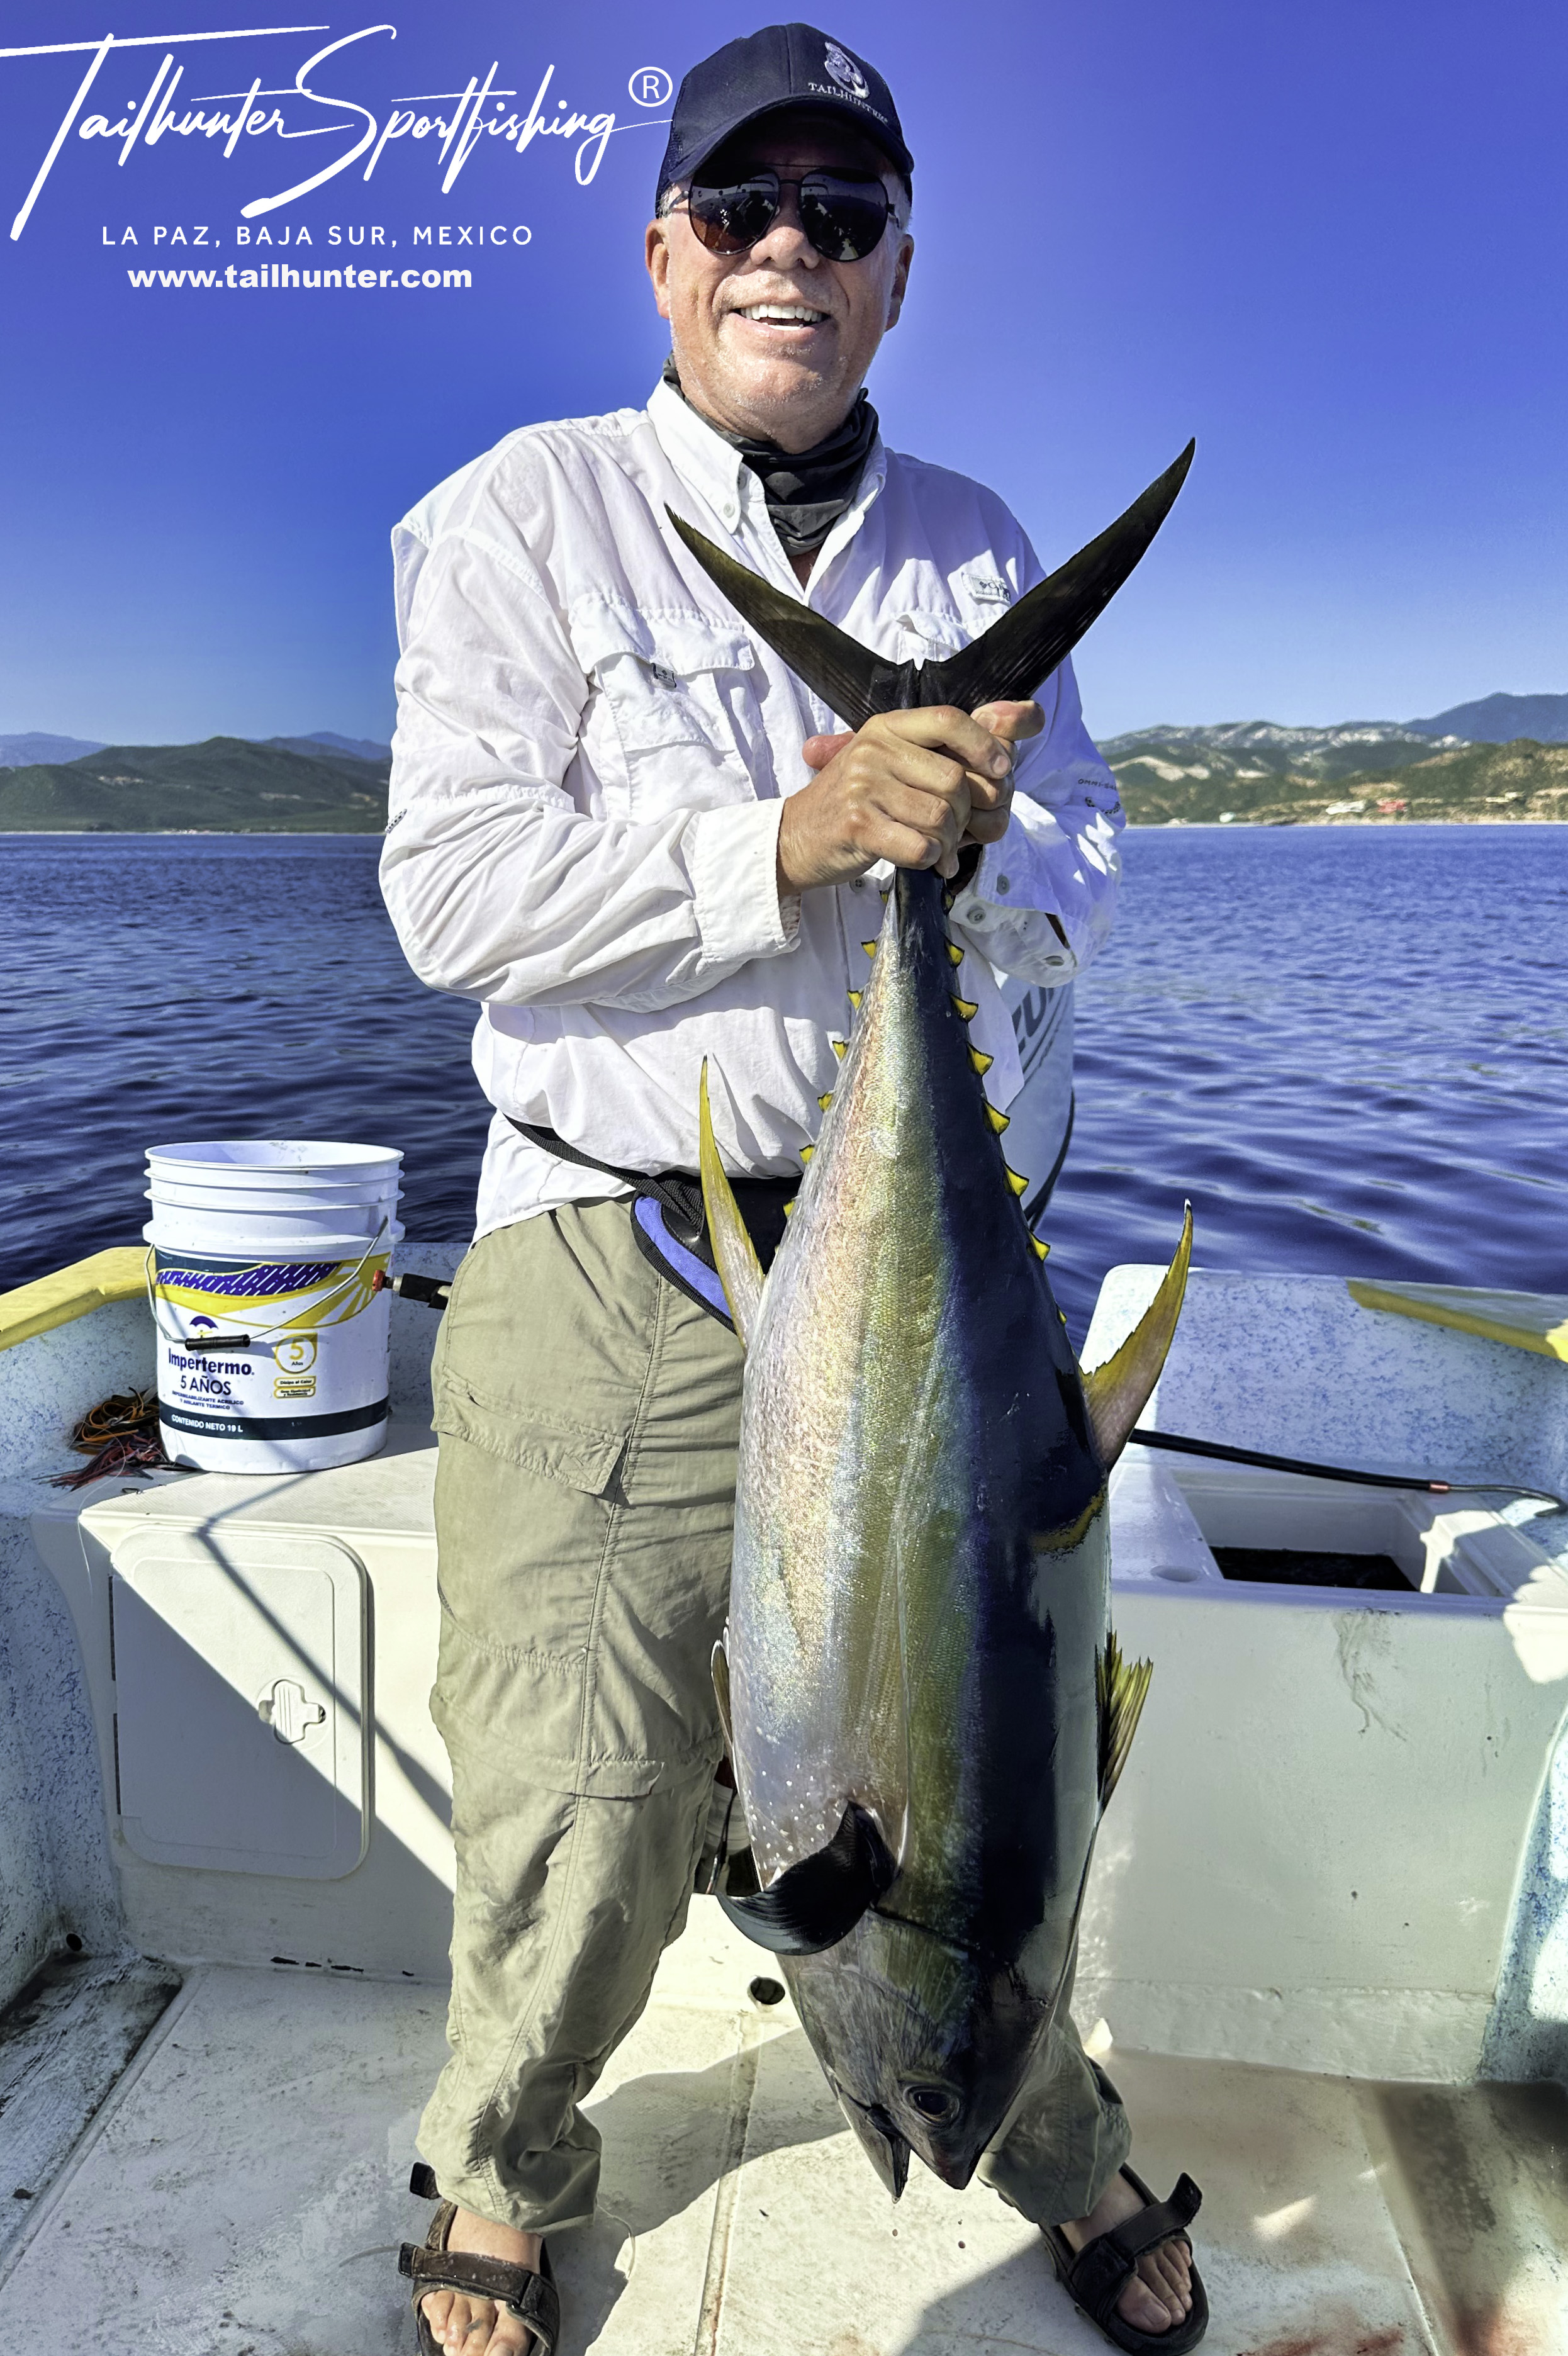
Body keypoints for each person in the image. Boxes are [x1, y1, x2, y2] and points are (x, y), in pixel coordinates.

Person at [381, 25, 1204, 2355]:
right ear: (663, 252)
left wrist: (984, 832)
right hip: (613, 1241)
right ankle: (506, 2164)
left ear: (895, 272)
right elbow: (450, 892)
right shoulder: (522, 513)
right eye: (742, 209)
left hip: (937, 1280)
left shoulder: (979, 540)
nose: (789, 250)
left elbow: (1087, 873)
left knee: (993, 1773)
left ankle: (1035, 2125)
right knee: (581, 1782)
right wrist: (795, 835)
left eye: (840, 217)